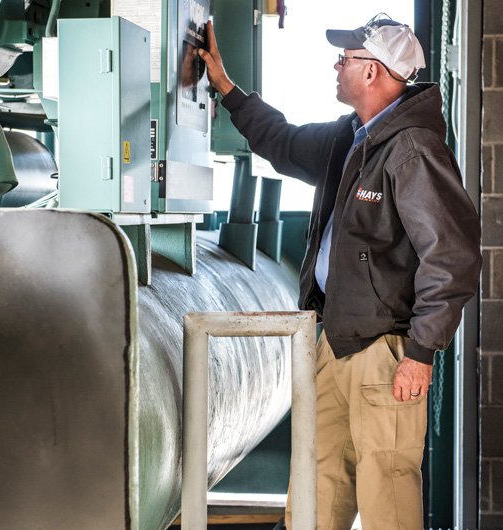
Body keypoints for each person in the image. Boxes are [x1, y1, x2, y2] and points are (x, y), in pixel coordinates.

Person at [199, 13, 482, 530]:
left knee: (386, 493)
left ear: (372, 72)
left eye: (346, 59)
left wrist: (420, 353)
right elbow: (282, 142)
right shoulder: (353, 138)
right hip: (336, 341)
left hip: (386, 353)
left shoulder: (412, 150)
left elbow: (453, 257)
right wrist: (226, 89)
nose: (337, 66)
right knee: (317, 483)